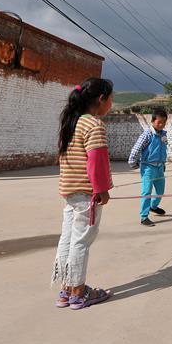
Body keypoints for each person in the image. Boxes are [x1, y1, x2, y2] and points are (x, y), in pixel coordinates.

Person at [52, 77, 114, 310]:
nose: (111, 103)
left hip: (70, 192)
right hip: (87, 194)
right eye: (111, 98)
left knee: (68, 239)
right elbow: (96, 162)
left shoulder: (72, 122)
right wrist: (101, 190)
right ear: (101, 99)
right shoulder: (94, 125)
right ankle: (78, 292)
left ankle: (66, 290)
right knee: (81, 242)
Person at [129, 107, 169, 226]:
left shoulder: (163, 135)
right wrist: (133, 163)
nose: (161, 125)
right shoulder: (147, 135)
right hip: (148, 168)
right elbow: (136, 149)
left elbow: (163, 150)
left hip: (159, 168)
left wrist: (163, 163)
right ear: (152, 121)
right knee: (146, 192)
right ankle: (144, 217)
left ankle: (153, 206)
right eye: (159, 122)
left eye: (164, 122)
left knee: (160, 191)